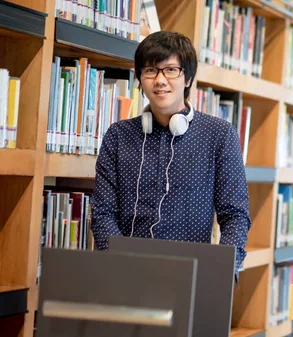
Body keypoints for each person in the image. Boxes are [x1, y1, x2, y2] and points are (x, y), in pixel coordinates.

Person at [91, 31, 251, 275]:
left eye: (171, 70)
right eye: (150, 71)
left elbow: (236, 216)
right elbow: (103, 213)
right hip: (126, 276)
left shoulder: (219, 135)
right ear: (140, 79)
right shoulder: (118, 136)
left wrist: (220, 272)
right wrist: (119, 266)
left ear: (187, 78)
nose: (160, 80)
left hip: (192, 276)